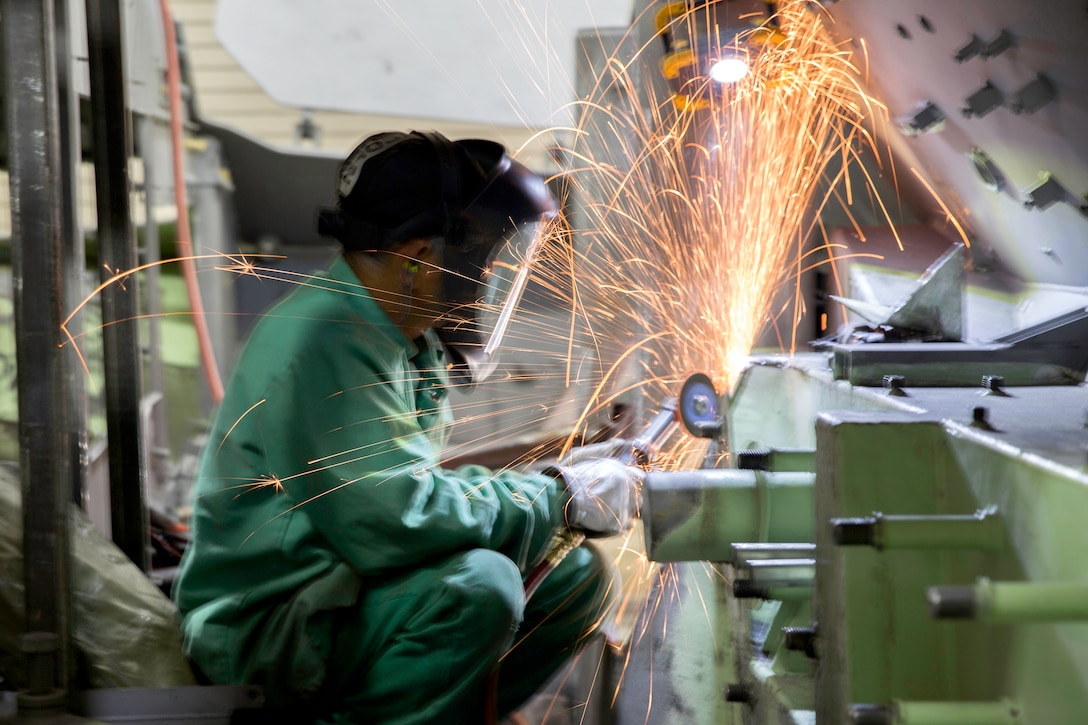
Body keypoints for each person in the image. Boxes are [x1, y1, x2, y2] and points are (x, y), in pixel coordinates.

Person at [173, 130, 643, 724]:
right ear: (420, 257)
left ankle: (459, 712)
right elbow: (396, 517)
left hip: (343, 587)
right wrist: (555, 496)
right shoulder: (327, 336)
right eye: (486, 264)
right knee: (480, 585)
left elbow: (405, 482)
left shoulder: (401, 339)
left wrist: (559, 466)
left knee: (573, 578)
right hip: (275, 621)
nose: (491, 283)